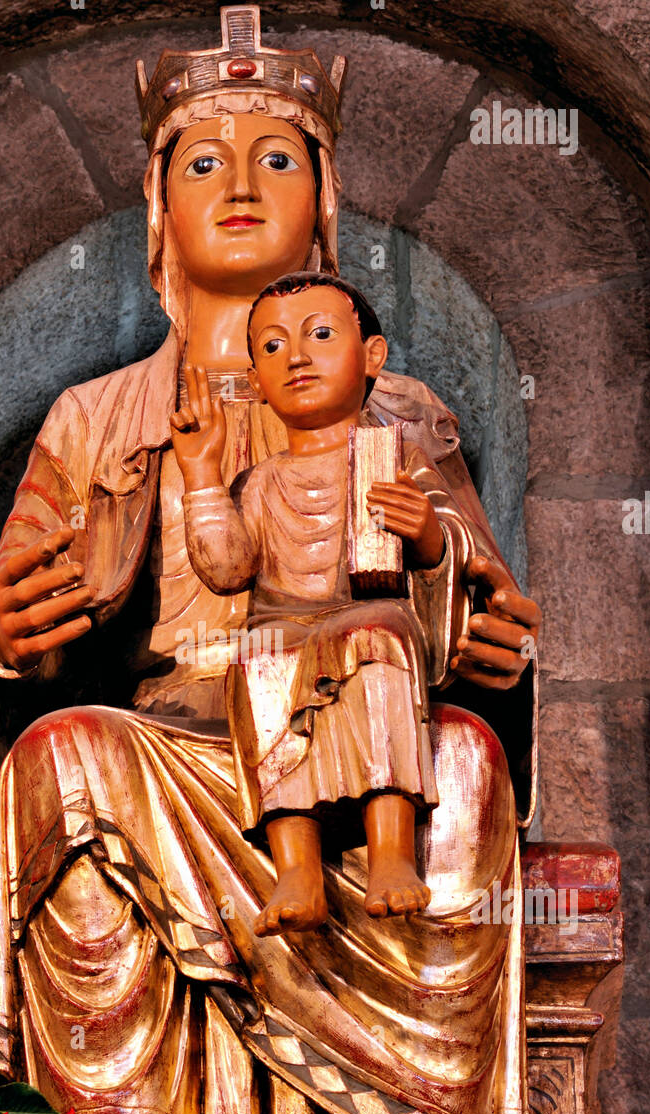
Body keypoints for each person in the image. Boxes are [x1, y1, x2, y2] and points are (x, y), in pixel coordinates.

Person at [0, 8, 541, 1114]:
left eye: (275, 157)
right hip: (176, 740)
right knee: (60, 763)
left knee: (459, 776)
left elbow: (477, 596)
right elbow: (21, 615)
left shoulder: (408, 412)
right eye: (201, 161)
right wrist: (8, 640)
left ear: (324, 207)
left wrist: (472, 615)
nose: (236, 184)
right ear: (156, 211)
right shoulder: (93, 413)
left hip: (355, 724)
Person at [174, 271, 447, 935]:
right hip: (281, 630)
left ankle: (390, 850)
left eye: (320, 335)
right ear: (255, 379)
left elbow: (453, 555)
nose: (295, 356)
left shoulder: (392, 457)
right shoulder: (260, 480)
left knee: (375, 634)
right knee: (256, 661)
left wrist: (429, 535)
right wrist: (203, 477)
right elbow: (227, 570)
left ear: (372, 356)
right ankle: (294, 864)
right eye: (270, 347)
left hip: (368, 617)